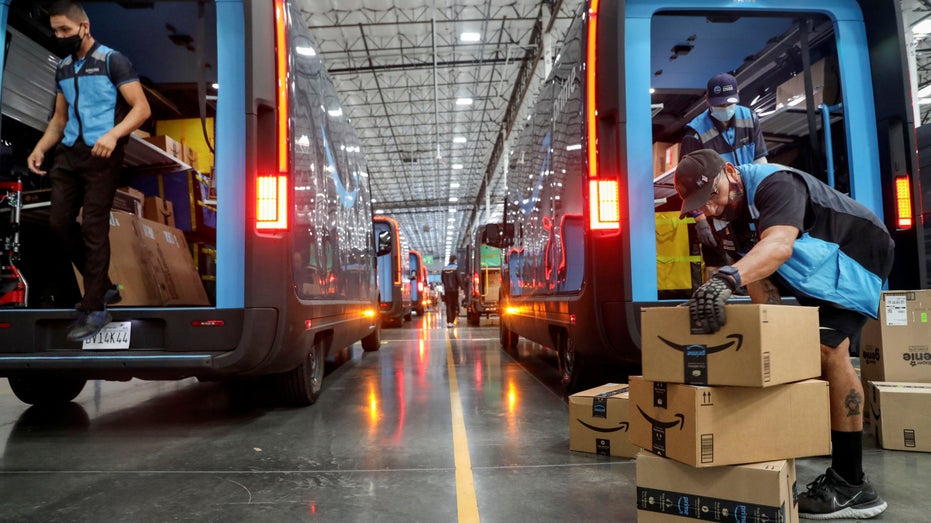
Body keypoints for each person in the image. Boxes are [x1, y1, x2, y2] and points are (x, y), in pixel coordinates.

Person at [675, 149, 892, 520]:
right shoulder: (724, 216)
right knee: (782, 345)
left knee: (828, 352)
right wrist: (771, 335)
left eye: (712, 195)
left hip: (854, 254)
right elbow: (757, 275)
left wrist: (728, 280)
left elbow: (777, 247)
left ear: (730, 172)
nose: (710, 209)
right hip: (811, 264)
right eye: (700, 204)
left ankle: (852, 485)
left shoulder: (776, 184)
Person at [27, 1, 151, 341]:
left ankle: (94, 306)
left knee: (93, 227)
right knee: (58, 223)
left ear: (84, 26)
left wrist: (113, 135)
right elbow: (59, 119)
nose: (59, 36)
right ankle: (105, 287)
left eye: (65, 30)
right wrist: (40, 148)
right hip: (68, 154)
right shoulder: (64, 68)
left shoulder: (112, 60)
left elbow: (141, 109)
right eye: (55, 30)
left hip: (103, 154)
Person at [680, 73, 768, 253]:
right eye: (719, 105)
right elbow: (688, 185)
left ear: (738, 95)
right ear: (707, 100)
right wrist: (701, 220)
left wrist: (765, 193)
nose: (725, 108)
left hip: (748, 199)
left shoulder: (750, 118)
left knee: (759, 251)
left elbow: (760, 160)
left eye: (729, 103)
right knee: (726, 259)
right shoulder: (695, 133)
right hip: (718, 207)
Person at [441, 256, 462, 328]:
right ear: (455, 260)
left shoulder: (444, 269)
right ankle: (452, 321)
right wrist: (462, 287)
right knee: (454, 306)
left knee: (448, 306)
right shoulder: (456, 268)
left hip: (447, 291)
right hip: (454, 290)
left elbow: (442, 279)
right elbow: (459, 278)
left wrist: (446, 286)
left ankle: (449, 322)